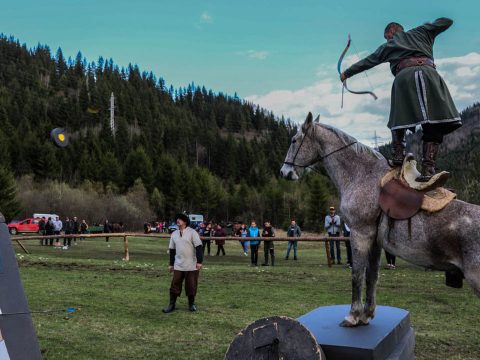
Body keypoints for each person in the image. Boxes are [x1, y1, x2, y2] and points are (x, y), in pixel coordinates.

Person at [340, 18, 462, 183]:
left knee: (399, 117)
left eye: (387, 36)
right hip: (429, 76)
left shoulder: (390, 45)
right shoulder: (422, 31)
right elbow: (447, 21)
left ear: (392, 31)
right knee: (433, 122)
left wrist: (346, 73)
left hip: (405, 79)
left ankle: (398, 156)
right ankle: (429, 169)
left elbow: (368, 61)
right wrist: (429, 25)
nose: (388, 40)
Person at [163, 213, 203, 313]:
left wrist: (199, 261)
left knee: (191, 285)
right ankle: (172, 304)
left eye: (180, 219)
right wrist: (171, 264)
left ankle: (191, 304)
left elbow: (199, 247)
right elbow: (172, 250)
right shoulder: (174, 234)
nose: (178, 221)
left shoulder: (192, 232)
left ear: (185, 222)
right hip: (178, 265)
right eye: (177, 219)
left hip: (191, 265)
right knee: (175, 284)